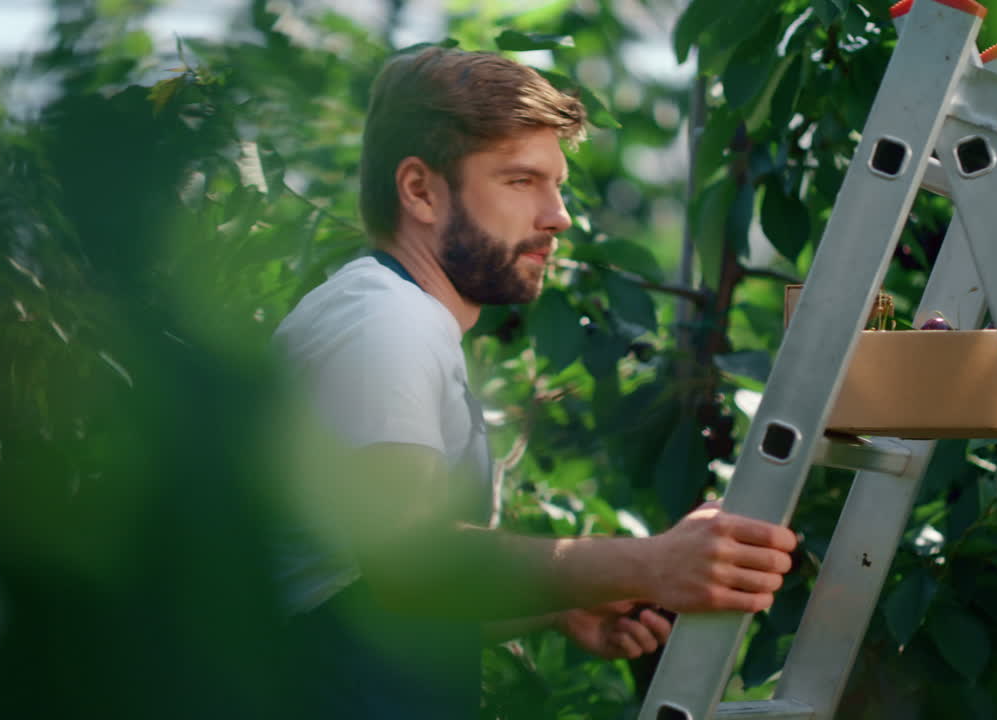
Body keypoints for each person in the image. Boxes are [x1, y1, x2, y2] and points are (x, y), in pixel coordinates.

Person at [271, 46, 797, 719]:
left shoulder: (397, 316)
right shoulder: (386, 323)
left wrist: (556, 609)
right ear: (420, 191)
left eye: (557, 183)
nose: (559, 216)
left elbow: (357, 592)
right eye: (521, 182)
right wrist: (648, 563)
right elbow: (409, 563)